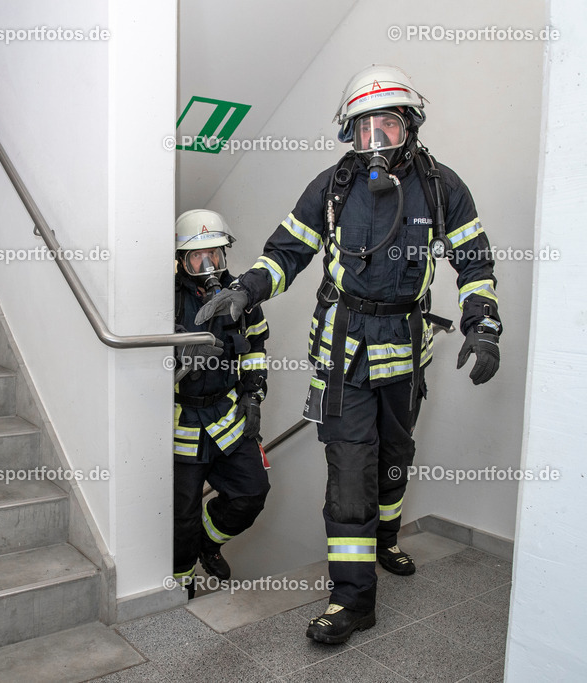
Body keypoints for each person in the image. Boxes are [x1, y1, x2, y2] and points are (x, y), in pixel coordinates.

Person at [195, 65, 501, 643]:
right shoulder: (332, 187)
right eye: (365, 131)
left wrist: (483, 325)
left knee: (395, 457)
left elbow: (474, 261)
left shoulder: (442, 186)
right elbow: (286, 253)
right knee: (350, 476)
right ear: (350, 136)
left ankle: (386, 539)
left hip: (408, 356)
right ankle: (352, 599)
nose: (377, 142)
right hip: (343, 359)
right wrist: (246, 289)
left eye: (388, 126)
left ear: (409, 126)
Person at [172, 209, 271, 598]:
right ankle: (179, 589)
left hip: (228, 415)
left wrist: (254, 394)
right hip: (182, 421)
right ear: (181, 259)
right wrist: (178, 353)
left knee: (252, 491)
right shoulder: (163, 298)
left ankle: (207, 543)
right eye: (198, 255)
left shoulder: (242, 296)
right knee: (182, 516)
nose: (208, 263)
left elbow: (257, 346)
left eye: (214, 253)